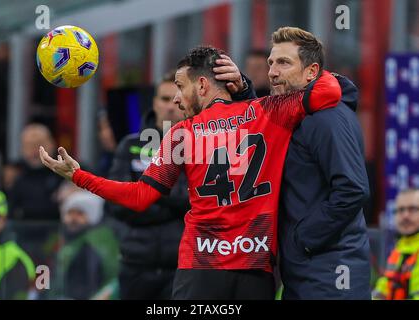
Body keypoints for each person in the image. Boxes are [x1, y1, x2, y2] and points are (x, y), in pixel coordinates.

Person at [39, 46, 341, 299]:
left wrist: (79, 176)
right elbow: (332, 89)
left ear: (202, 86)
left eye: (181, 87)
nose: (175, 99)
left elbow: (140, 196)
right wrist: (245, 82)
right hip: (256, 267)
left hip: (202, 267)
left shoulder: (181, 134)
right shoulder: (267, 111)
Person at [267, 27, 371, 299]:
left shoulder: (328, 118)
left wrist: (303, 240)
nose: (272, 72)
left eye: (283, 62)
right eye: (271, 62)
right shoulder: (302, 115)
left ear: (311, 71)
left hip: (329, 277)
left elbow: (352, 190)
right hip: (311, 272)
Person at [106, 71, 189, 299]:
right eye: (164, 99)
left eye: (175, 99)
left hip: (181, 265)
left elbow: (194, 200)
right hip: (136, 261)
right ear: (154, 102)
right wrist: (168, 196)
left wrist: (147, 189)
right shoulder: (130, 144)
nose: (170, 106)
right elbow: (117, 201)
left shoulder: (199, 146)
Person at [53, 191, 120, 300]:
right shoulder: (69, 242)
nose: (73, 219)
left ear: (93, 216)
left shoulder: (96, 242)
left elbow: (109, 278)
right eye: (70, 213)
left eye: (80, 213)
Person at [8, 123, 64, 221]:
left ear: (52, 143)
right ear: (22, 148)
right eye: (28, 145)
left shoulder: (66, 169)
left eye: (39, 144)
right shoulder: (14, 174)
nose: (34, 150)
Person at [373, 188, 419, 300]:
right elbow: (382, 289)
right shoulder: (398, 249)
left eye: (412, 209)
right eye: (400, 210)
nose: (405, 215)